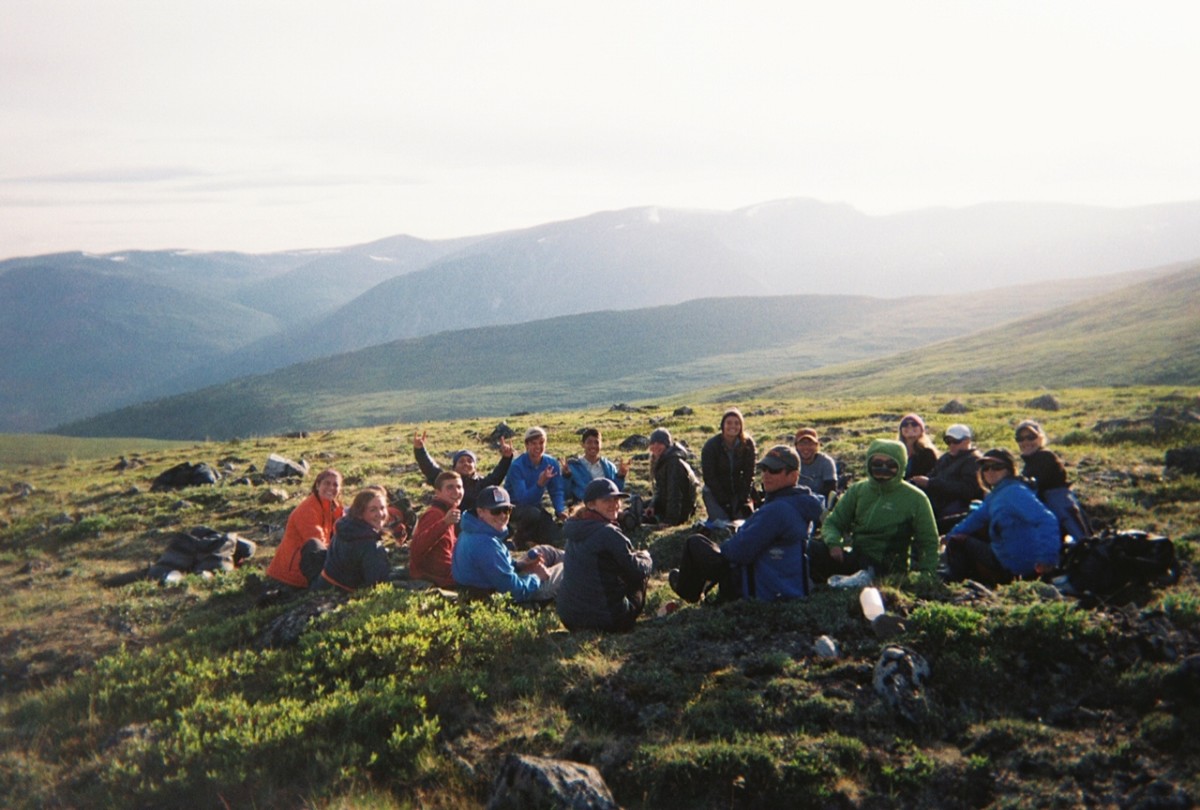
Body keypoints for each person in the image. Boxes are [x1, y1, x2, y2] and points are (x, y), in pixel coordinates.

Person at [669, 445, 825, 602]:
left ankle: (688, 593)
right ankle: (695, 587)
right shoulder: (799, 503)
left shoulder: (778, 510)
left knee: (695, 544)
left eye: (774, 470)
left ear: (793, 475)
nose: (766, 475)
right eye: (764, 469)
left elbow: (739, 551)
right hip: (785, 584)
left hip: (760, 589)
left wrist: (727, 545)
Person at [809, 439, 939, 580]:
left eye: (891, 465)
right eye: (877, 464)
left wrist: (927, 573)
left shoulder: (915, 498)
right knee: (809, 547)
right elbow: (833, 523)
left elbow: (928, 540)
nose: (883, 468)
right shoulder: (858, 490)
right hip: (856, 557)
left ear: (901, 466)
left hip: (887, 566)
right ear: (869, 464)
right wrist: (834, 543)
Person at [944, 449, 1062, 587]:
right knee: (968, 533)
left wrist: (1047, 559)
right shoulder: (998, 494)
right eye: (985, 468)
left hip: (1016, 565)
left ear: (1009, 470)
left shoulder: (1014, 492)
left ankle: (956, 583)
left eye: (997, 467)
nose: (990, 471)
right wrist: (949, 535)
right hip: (1014, 560)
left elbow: (1047, 520)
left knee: (957, 542)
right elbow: (974, 519)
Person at [557, 478, 653, 631]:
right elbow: (635, 569)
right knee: (639, 569)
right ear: (591, 504)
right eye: (606, 500)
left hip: (569, 618)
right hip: (606, 621)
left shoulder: (575, 528)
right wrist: (646, 557)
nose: (614, 504)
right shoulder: (607, 532)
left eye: (616, 499)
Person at [451, 486, 562, 602]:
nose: (503, 515)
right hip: (498, 598)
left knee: (546, 551)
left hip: (494, 586)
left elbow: (497, 569)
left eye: (506, 510)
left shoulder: (472, 531)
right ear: (480, 512)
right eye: (496, 511)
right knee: (565, 567)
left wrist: (520, 565)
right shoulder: (486, 544)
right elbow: (516, 592)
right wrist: (537, 577)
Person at [266, 468, 344, 589]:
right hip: (290, 575)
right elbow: (317, 544)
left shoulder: (333, 507)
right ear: (317, 485)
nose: (331, 488)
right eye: (327, 483)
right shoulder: (308, 509)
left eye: (335, 485)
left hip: (304, 568)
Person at [1015, 420, 1092, 541]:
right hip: (1051, 514)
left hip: (1061, 510)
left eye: (1031, 437)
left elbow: (1035, 484)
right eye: (1020, 438)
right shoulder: (1029, 463)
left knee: (1082, 542)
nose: (1026, 442)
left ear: (1040, 438)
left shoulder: (1045, 457)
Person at [314, 486, 392, 592]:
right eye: (372, 510)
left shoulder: (345, 527)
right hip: (343, 594)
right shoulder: (370, 545)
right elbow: (378, 584)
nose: (380, 514)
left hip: (322, 584)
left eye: (382, 508)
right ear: (360, 513)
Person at [413, 429, 513, 511]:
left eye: (470, 461)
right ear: (454, 467)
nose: (466, 463)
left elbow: (497, 475)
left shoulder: (482, 484)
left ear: (475, 467)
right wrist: (420, 450)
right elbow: (429, 467)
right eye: (461, 461)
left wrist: (506, 458)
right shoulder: (446, 480)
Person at [910, 423, 984, 531]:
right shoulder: (946, 458)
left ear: (967, 441)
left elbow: (968, 490)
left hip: (957, 507)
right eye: (948, 441)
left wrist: (931, 483)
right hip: (939, 502)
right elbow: (932, 475)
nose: (951, 445)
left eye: (955, 441)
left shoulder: (973, 460)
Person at [505, 426, 568, 546]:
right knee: (532, 514)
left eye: (541, 442)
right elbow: (522, 499)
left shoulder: (551, 463)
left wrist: (560, 510)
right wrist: (540, 484)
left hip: (536, 506)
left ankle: (533, 540)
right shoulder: (517, 466)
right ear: (527, 445)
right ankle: (519, 539)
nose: (538, 447)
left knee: (556, 537)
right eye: (534, 443)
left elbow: (556, 490)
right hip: (513, 507)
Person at [408, 471, 464, 588]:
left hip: (448, 572)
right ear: (438, 492)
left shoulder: (447, 512)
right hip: (440, 577)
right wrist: (444, 523)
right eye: (450, 487)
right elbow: (416, 549)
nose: (456, 491)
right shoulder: (435, 514)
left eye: (459, 487)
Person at [700, 407, 757, 521]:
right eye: (729, 423)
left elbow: (749, 473)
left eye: (737, 423)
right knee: (722, 523)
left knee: (743, 522)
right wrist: (724, 502)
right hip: (717, 492)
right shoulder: (711, 446)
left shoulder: (747, 444)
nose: (733, 426)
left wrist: (743, 498)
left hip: (738, 491)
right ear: (723, 425)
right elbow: (709, 477)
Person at [645, 428, 698, 526]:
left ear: (667, 444)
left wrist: (670, 521)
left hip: (681, 511)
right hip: (668, 504)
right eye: (653, 443)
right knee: (640, 505)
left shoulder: (674, 463)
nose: (655, 446)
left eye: (660, 443)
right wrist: (653, 505)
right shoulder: (664, 461)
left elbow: (675, 494)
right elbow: (661, 490)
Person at [564, 428, 629, 504]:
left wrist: (620, 476)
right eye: (589, 442)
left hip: (608, 505)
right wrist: (566, 477)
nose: (593, 446)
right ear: (582, 444)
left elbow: (616, 491)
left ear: (601, 444)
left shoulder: (609, 467)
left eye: (596, 442)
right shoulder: (573, 467)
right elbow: (566, 494)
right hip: (585, 505)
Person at [794, 427, 838, 503]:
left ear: (817, 445)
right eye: (802, 444)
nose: (806, 447)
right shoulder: (789, 461)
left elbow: (830, 490)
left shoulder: (826, 462)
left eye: (810, 444)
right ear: (796, 446)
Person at [898, 413, 939, 480]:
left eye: (914, 424)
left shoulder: (928, 453)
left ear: (921, 430)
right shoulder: (896, 452)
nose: (909, 426)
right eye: (905, 424)